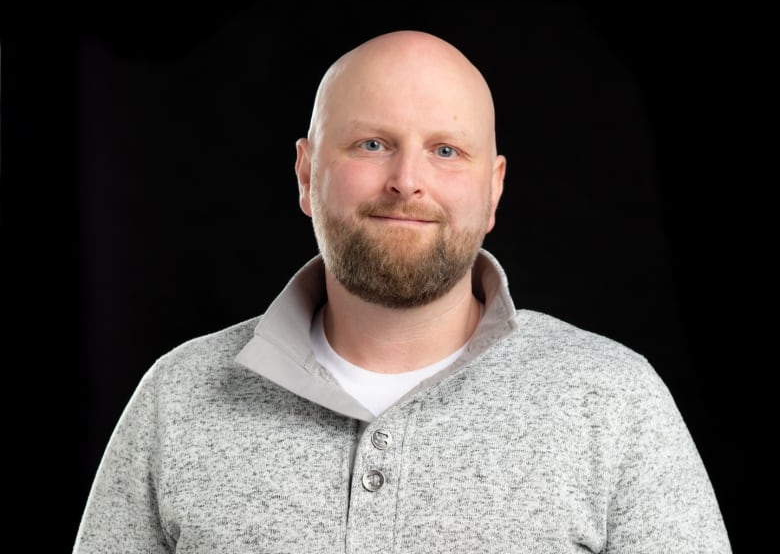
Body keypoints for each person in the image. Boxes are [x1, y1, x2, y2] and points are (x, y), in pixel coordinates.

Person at [73, 30, 731, 553]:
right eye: (372, 143)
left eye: (446, 151)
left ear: (494, 188)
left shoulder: (613, 403)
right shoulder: (178, 397)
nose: (406, 180)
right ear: (306, 173)